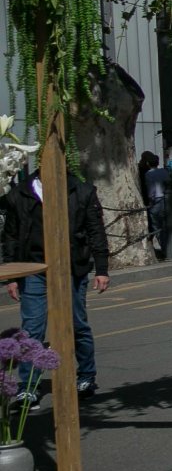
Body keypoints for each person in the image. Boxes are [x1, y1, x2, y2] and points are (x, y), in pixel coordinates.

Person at [3, 166, 111, 398]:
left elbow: (95, 231)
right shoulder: (20, 193)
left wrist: (102, 269)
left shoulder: (81, 190)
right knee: (32, 328)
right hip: (32, 268)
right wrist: (12, 276)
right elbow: (10, 236)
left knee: (76, 324)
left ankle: (86, 375)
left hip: (71, 267)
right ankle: (28, 386)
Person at [139, 151, 172, 260]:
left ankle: (165, 249)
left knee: (157, 226)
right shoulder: (164, 171)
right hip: (166, 199)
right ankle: (169, 248)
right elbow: (169, 183)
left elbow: (151, 189)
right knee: (166, 224)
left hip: (156, 200)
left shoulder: (148, 174)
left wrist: (150, 201)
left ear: (148, 163)